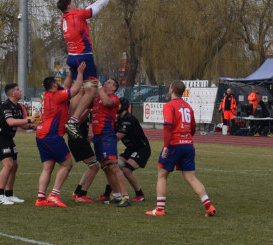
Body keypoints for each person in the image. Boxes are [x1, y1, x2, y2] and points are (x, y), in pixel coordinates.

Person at [146, 80, 216, 217]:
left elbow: (168, 127)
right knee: (191, 178)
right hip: (188, 145)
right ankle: (209, 206)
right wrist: (187, 138)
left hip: (174, 144)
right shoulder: (188, 106)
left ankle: (160, 209)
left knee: (162, 175)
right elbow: (193, 127)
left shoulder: (169, 106)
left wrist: (166, 146)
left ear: (171, 90)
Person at [57, 0, 116, 139]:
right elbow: (98, 9)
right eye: (74, 2)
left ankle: (69, 119)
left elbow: (88, 9)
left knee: (80, 91)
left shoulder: (65, 18)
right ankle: (74, 121)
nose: (75, 4)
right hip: (84, 57)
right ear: (70, 5)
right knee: (90, 91)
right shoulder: (78, 15)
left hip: (72, 57)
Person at [34, 63, 87, 207]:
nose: (59, 84)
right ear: (53, 86)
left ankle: (41, 198)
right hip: (52, 135)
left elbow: (66, 85)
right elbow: (75, 90)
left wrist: (71, 73)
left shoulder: (47, 95)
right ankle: (54, 195)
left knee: (48, 167)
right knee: (67, 164)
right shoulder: (56, 96)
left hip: (41, 135)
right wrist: (80, 72)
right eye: (56, 83)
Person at [91, 78, 131, 207]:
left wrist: (100, 87)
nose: (106, 83)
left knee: (113, 166)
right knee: (106, 167)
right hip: (98, 136)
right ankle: (117, 196)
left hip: (107, 135)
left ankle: (126, 197)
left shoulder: (114, 98)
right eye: (106, 82)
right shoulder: (98, 98)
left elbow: (107, 102)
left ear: (114, 88)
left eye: (109, 82)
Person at [0, 83, 31, 205]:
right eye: (18, 89)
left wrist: (31, 126)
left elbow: (20, 124)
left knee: (14, 165)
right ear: (12, 93)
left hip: (8, 139)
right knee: (8, 164)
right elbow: (11, 122)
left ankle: (9, 194)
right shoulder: (6, 106)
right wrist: (30, 119)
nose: (20, 91)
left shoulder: (18, 106)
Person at [115, 97, 149, 202]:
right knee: (115, 166)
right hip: (131, 148)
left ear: (124, 106)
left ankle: (140, 195)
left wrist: (100, 140)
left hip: (141, 149)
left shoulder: (129, 119)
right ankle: (109, 194)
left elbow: (116, 137)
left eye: (118, 104)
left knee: (126, 170)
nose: (115, 106)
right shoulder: (118, 119)